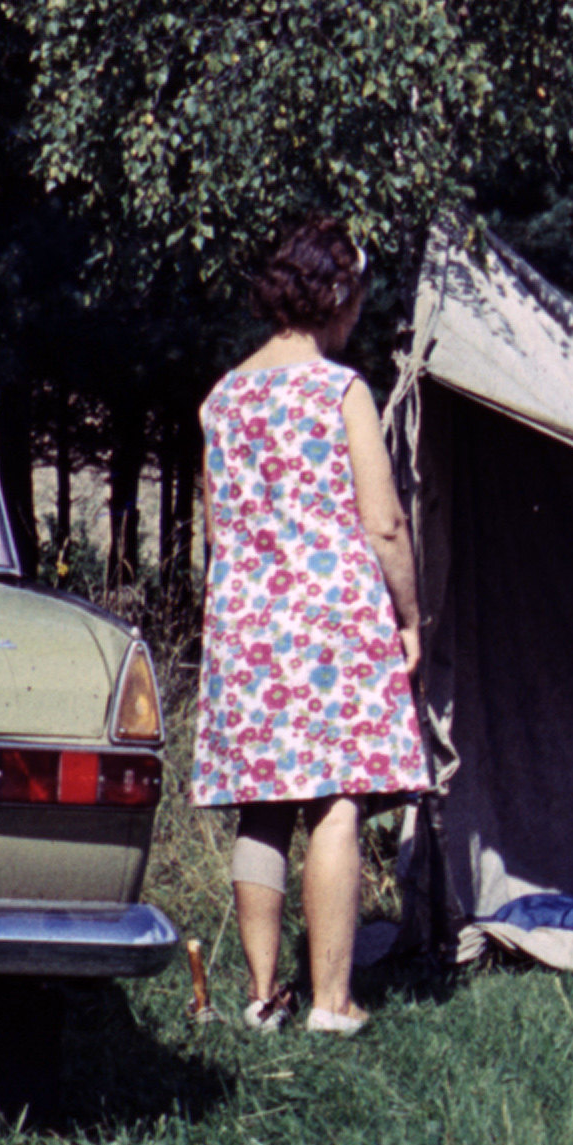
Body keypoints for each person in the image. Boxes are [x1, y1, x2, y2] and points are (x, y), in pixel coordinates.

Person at [191, 215, 431, 1034]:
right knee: (335, 800)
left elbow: (220, 531)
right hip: (330, 621)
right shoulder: (341, 390)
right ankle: (332, 1002)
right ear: (337, 295)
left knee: (262, 804)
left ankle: (262, 999)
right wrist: (409, 615)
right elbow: (385, 523)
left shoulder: (220, 398)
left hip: (248, 622)